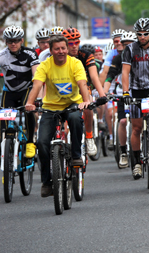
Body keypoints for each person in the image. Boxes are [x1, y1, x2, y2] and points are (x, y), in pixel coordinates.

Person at [24, 36, 95, 197]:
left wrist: (85, 101)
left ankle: (76, 155)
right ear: (51, 51)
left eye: (63, 48)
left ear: (67, 48)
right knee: (42, 142)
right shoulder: (45, 65)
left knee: (76, 119)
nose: (61, 51)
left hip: (72, 104)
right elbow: (37, 85)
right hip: (51, 107)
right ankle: (47, 182)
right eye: (57, 49)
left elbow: (82, 83)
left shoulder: (75, 63)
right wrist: (30, 102)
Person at [122, 18, 149, 177]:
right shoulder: (130, 49)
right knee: (137, 128)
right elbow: (125, 72)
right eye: (139, 34)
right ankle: (137, 162)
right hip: (137, 91)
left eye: (145, 34)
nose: (142, 37)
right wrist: (126, 93)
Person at [62, 27, 107, 157]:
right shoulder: (60, 56)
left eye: (77, 42)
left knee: (88, 105)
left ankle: (89, 136)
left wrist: (102, 94)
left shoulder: (86, 55)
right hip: (66, 89)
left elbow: (94, 77)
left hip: (83, 87)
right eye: (71, 43)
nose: (74, 46)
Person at [0, 25, 40, 158]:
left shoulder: (30, 54)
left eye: (16, 40)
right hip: (9, 92)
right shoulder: (2, 55)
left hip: (26, 90)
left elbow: (36, 76)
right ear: (5, 41)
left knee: (29, 111)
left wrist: (36, 97)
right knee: (3, 123)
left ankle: (30, 143)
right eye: (10, 41)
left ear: (21, 40)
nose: (13, 43)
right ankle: (5, 152)